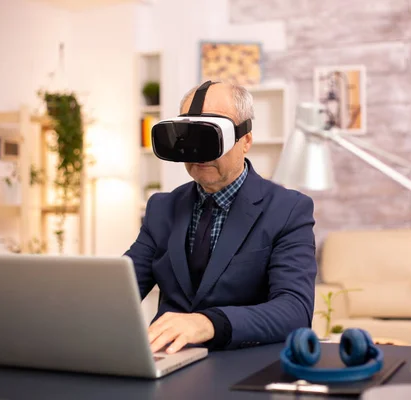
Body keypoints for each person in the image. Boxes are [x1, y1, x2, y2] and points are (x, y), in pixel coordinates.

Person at [124, 81, 317, 354]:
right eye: (190, 137)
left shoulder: (287, 210)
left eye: (211, 137)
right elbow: (121, 289)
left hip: (243, 365)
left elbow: (294, 310)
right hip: (166, 361)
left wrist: (208, 323)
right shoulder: (162, 208)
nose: (199, 153)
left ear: (246, 140)